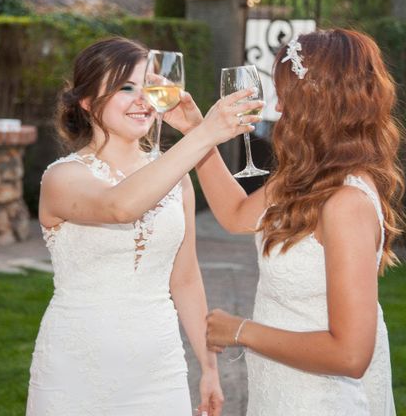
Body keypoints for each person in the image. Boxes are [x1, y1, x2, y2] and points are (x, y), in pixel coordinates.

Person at [168, 29, 405, 415]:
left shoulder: (346, 201)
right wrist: (198, 133)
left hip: (323, 399)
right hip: (280, 388)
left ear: (318, 100)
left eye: (284, 91)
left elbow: (350, 354)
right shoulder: (307, 177)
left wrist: (240, 331)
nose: (276, 105)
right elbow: (235, 215)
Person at [25, 36, 263, 416]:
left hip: (159, 369)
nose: (142, 99)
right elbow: (120, 206)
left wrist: (208, 367)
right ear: (87, 102)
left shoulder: (178, 179)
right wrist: (203, 134)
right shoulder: (61, 178)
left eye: (149, 87)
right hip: (75, 368)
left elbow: (185, 278)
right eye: (125, 88)